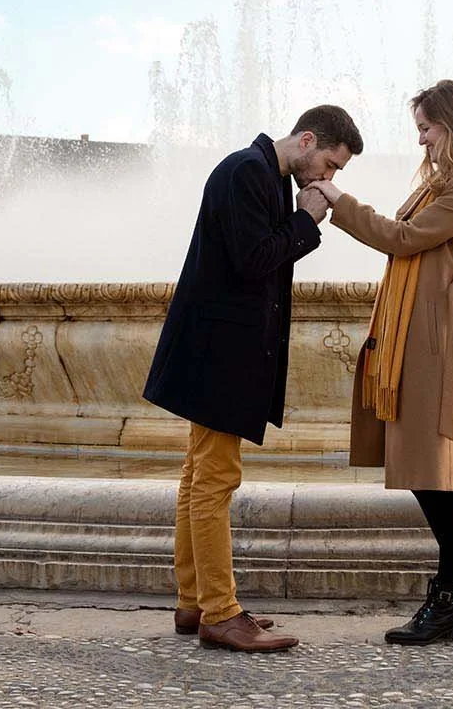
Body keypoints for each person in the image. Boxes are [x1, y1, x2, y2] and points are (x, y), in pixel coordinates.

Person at [142, 105, 363, 653]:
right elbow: (253, 260)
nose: (328, 180)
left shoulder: (261, 173)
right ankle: (220, 612)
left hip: (217, 349)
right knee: (216, 479)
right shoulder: (247, 171)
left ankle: (194, 603)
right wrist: (306, 220)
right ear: (308, 140)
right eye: (330, 165)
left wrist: (298, 217)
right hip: (222, 352)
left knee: (199, 474)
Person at [304, 79, 453, 646]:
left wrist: (339, 202)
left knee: (442, 471)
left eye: (426, 129)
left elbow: (405, 239)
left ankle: (448, 600)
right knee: (427, 466)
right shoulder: (449, 182)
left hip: (449, 341)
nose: (421, 142)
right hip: (428, 337)